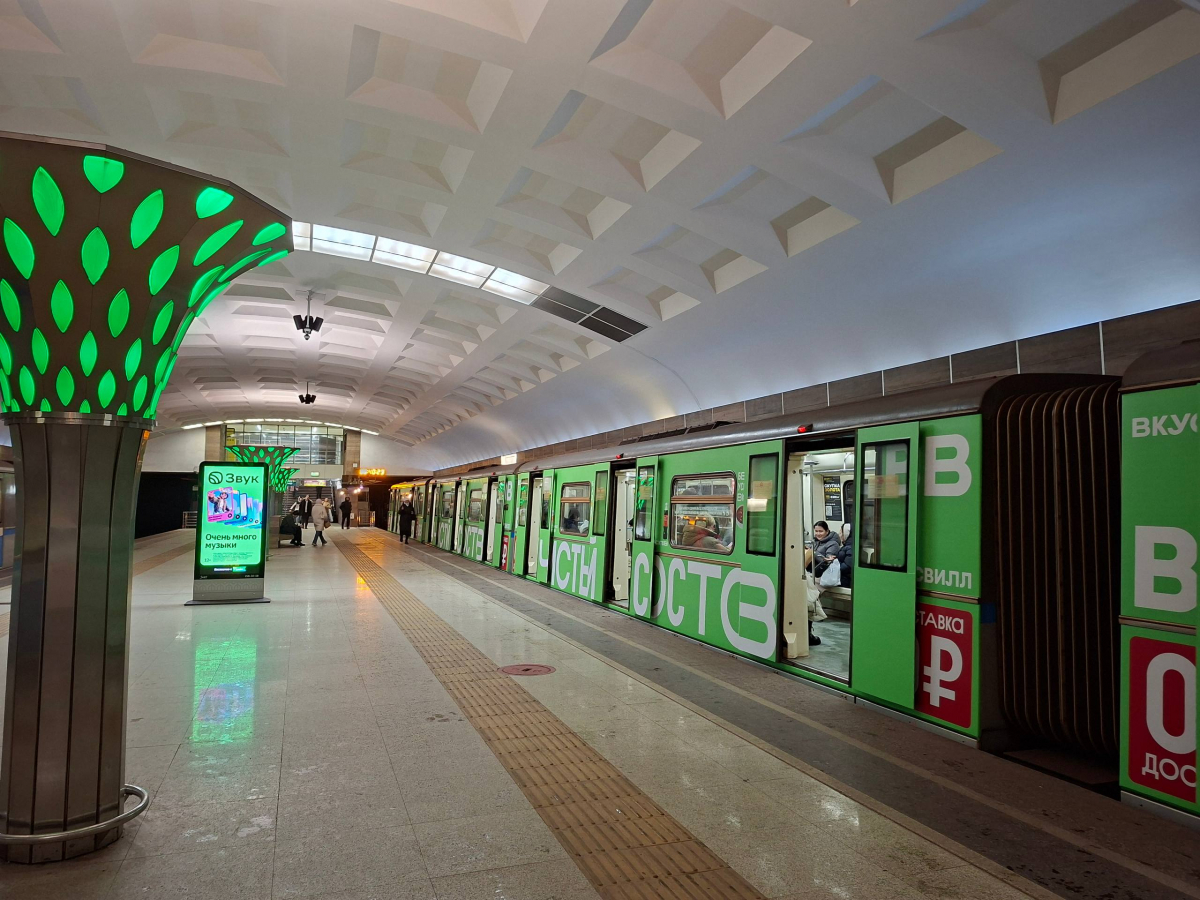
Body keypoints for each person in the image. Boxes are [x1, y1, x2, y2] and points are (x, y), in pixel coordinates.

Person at [836, 523, 854, 588]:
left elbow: (847, 566)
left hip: (846, 578)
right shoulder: (846, 545)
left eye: (841, 532)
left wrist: (834, 567)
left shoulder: (851, 547)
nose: (839, 534)